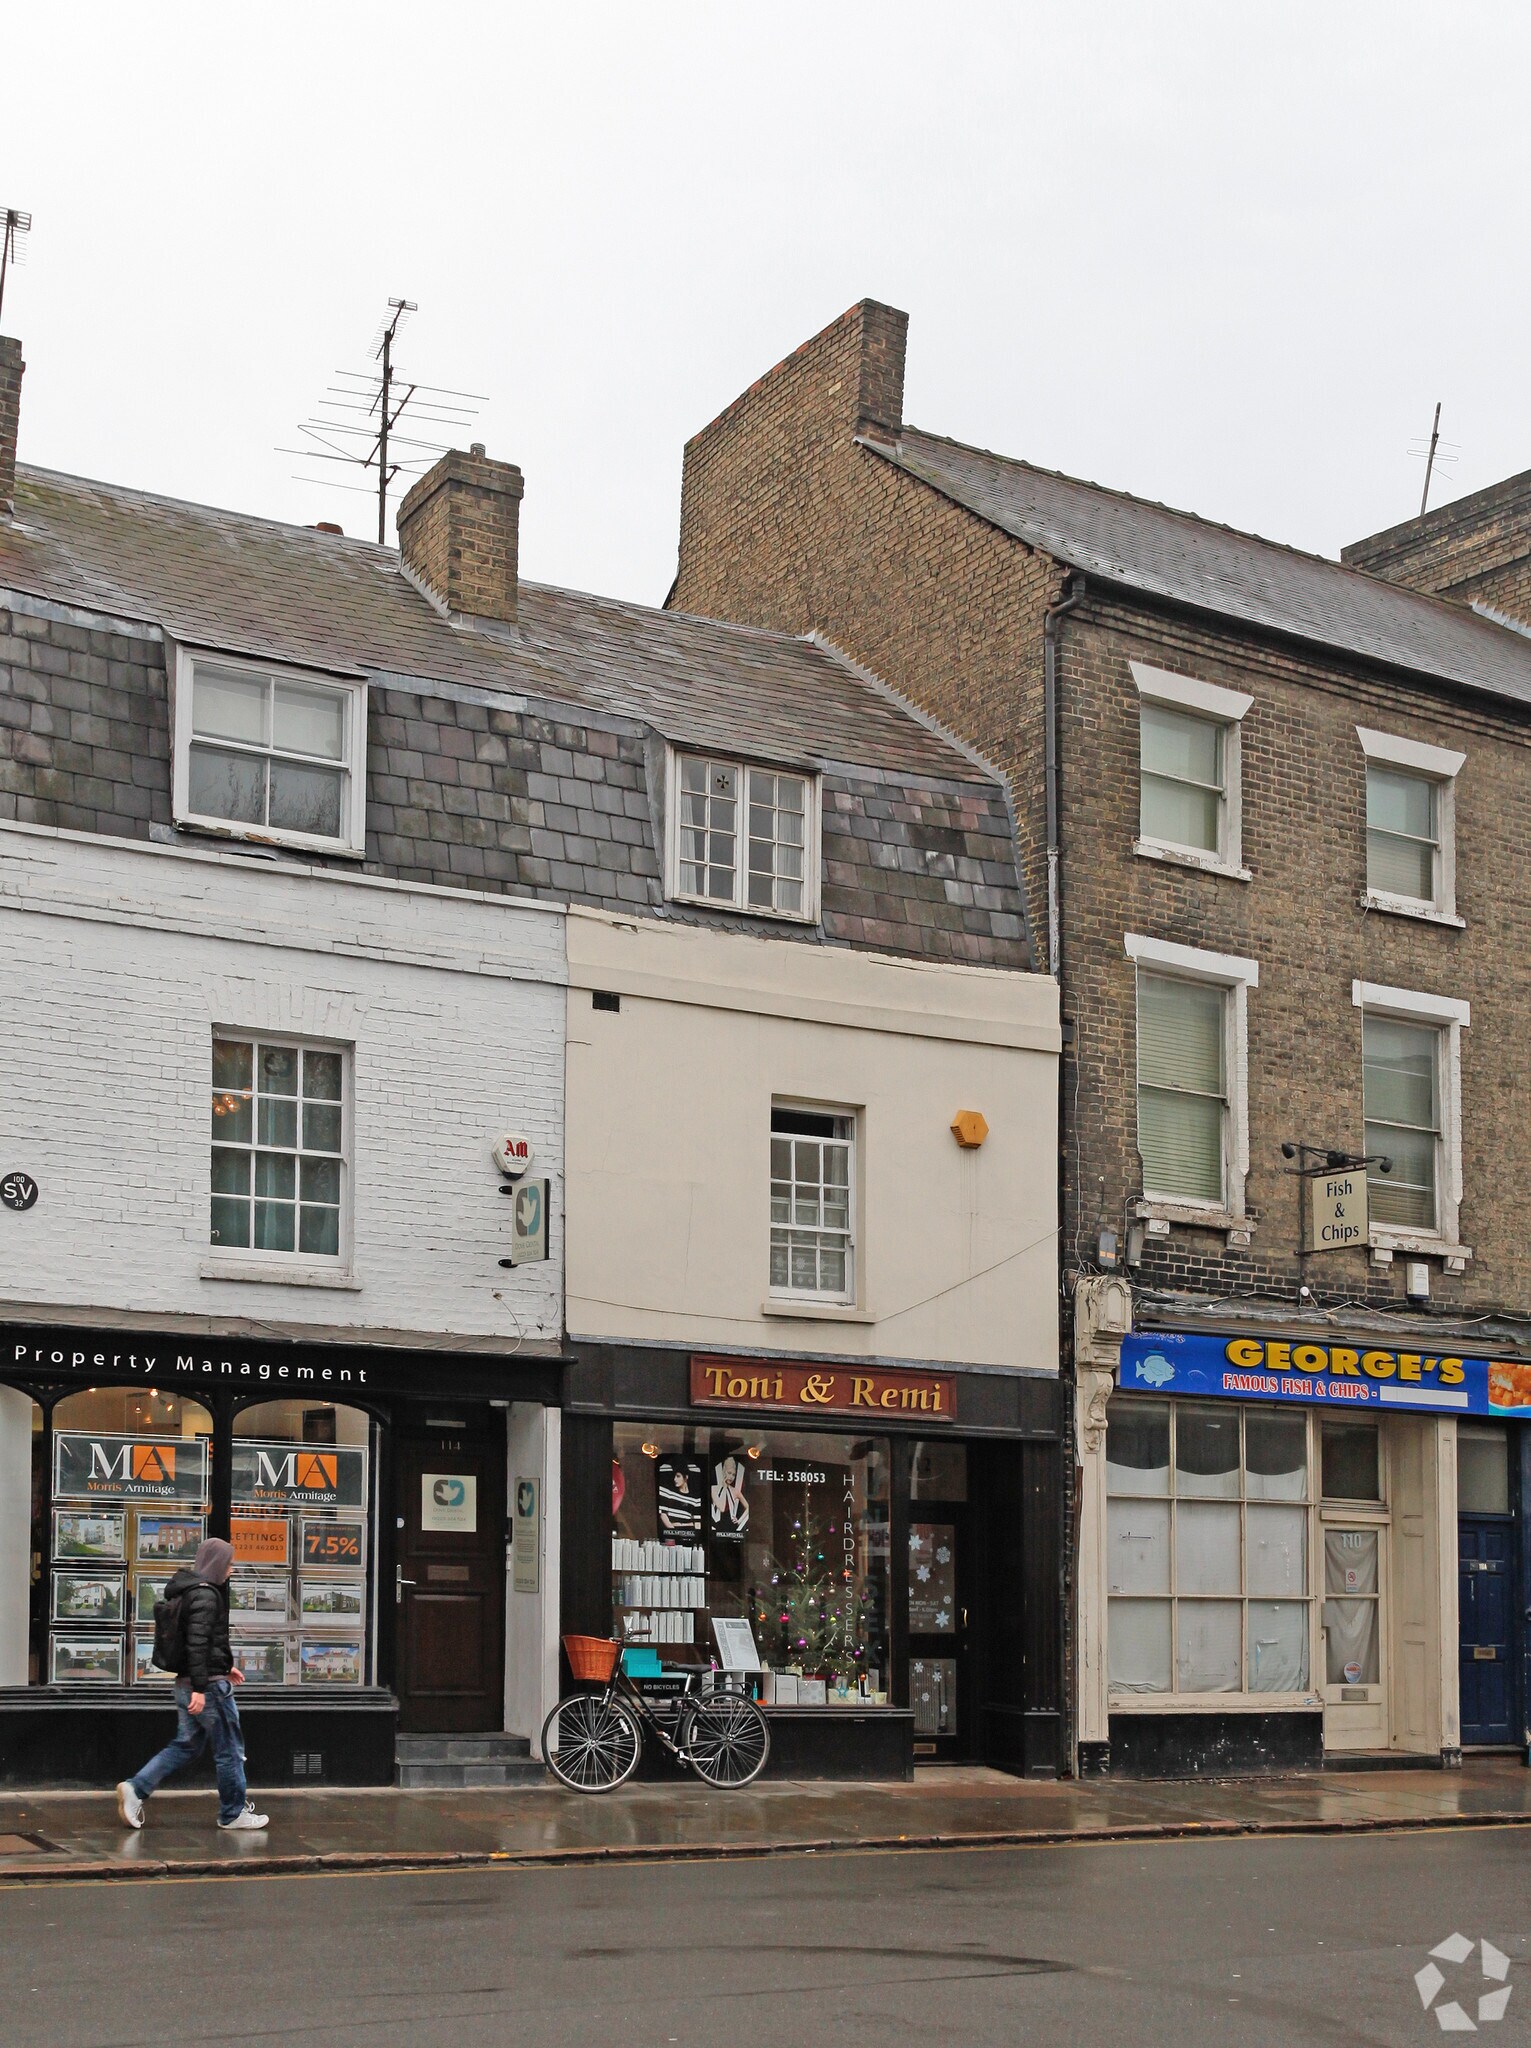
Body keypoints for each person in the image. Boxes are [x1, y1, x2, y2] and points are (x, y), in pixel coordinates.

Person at [115, 1537, 268, 1832]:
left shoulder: (188, 1591)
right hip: (207, 1688)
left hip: (190, 1682)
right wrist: (202, 1687)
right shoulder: (207, 1596)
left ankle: (136, 1788)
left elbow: (199, 1642)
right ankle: (233, 1813)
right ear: (216, 1564)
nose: (231, 1569)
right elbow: (197, 1645)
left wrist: (225, 1666)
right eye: (229, 1563)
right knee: (230, 1751)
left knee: (187, 1744)